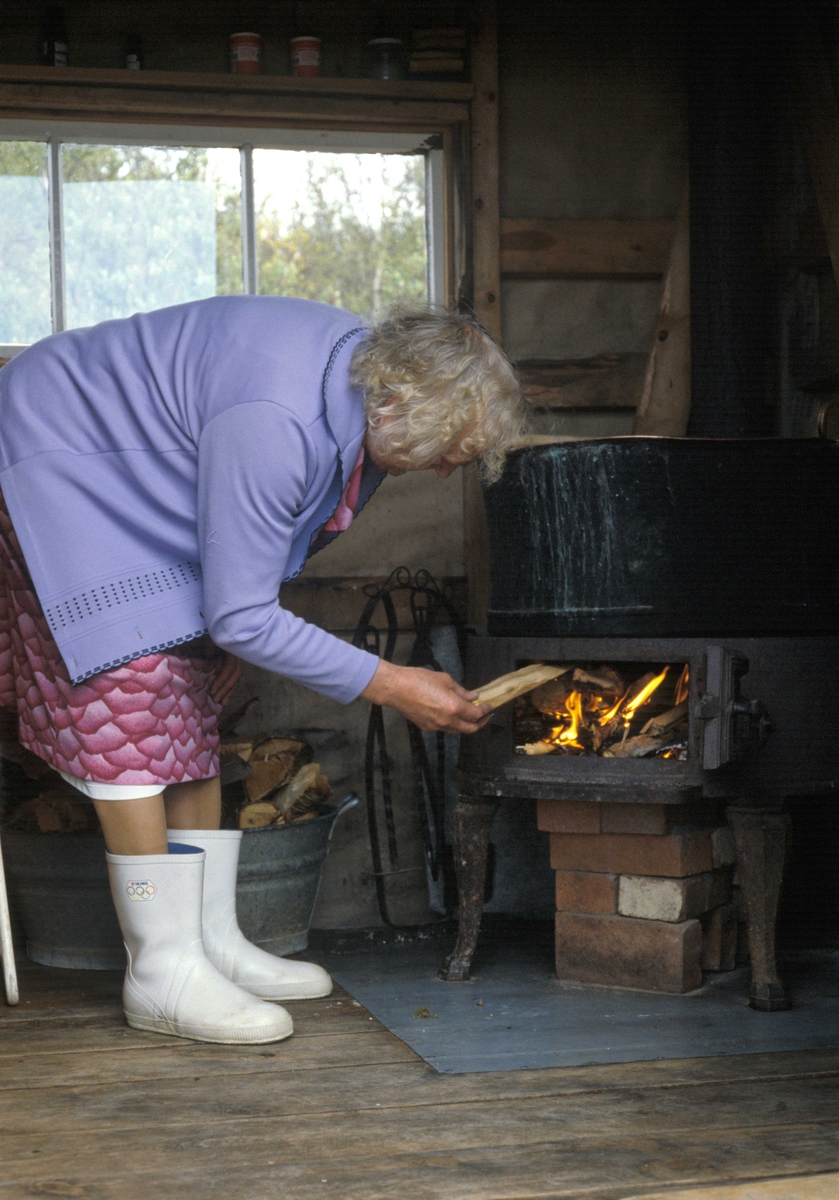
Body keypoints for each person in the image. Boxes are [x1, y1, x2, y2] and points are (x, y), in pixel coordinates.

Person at [0, 297, 526, 1044]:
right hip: (60, 450)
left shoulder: (368, 390)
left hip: (135, 468)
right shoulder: (279, 421)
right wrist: (391, 683)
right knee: (134, 685)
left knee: (192, 692)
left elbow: (245, 585)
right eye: (449, 452)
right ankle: (162, 969)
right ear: (403, 401)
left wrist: (226, 644)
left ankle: (209, 942)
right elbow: (241, 615)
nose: (444, 473)